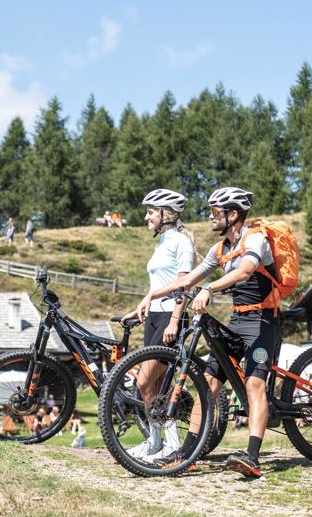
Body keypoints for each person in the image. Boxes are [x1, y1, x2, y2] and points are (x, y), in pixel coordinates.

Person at [136, 187, 279, 478]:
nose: (211, 217)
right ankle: (187, 455)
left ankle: (252, 457)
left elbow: (244, 272)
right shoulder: (220, 249)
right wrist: (152, 296)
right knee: (209, 383)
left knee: (254, 385)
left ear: (233, 214)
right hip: (238, 319)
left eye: (216, 212)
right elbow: (189, 278)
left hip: (264, 321)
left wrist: (210, 288)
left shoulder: (256, 239)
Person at [121, 188, 195, 462]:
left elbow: (185, 286)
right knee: (158, 384)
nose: (146, 217)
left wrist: (175, 320)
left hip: (170, 318)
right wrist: (141, 307)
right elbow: (158, 285)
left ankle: (169, 445)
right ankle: (158, 444)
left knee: (144, 380)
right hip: (154, 316)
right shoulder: (162, 242)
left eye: (150, 212)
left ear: (166, 214)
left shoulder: (181, 243)